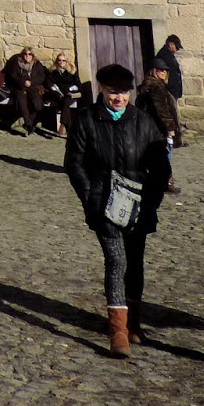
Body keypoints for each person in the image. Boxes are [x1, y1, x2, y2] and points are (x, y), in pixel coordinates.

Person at [65, 62, 171, 355]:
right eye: (113, 92)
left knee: (135, 263)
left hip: (138, 203)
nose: (119, 98)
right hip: (103, 202)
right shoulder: (87, 120)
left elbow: (160, 165)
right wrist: (90, 196)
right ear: (102, 90)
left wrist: (151, 200)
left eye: (124, 93)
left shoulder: (143, 121)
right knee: (116, 261)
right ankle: (118, 332)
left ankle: (133, 323)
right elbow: (74, 163)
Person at [136, 65, 182, 194]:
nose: (163, 72)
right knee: (165, 155)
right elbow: (161, 110)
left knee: (158, 156)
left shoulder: (150, 85)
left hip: (153, 127)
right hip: (159, 128)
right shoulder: (156, 87)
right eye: (160, 70)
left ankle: (162, 180)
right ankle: (166, 182)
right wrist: (169, 127)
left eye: (165, 70)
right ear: (153, 71)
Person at [2, 45, 49, 135]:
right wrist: (23, 82)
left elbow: (41, 76)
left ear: (32, 55)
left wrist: (31, 82)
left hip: (33, 87)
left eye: (29, 54)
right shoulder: (17, 63)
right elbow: (13, 75)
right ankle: (28, 123)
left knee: (38, 104)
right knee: (22, 101)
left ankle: (29, 122)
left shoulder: (36, 64)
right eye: (25, 54)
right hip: (20, 87)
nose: (27, 56)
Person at [42, 52, 82, 137]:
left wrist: (70, 89)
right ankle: (69, 129)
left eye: (63, 61)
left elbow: (78, 84)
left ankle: (62, 124)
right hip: (58, 95)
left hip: (70, 94)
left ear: (67, 62)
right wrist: (57, 92)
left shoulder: (72, 71)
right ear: (57, 61)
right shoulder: (53, 72)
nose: (61, 62)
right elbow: (49, 84)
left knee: (66, 100)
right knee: (65, 103)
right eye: (59, 60)